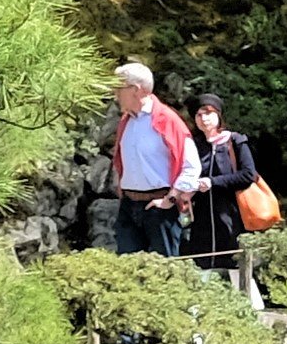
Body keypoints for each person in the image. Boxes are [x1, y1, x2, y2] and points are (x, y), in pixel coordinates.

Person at [103, 62, 193, 257]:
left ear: (136, 90)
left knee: (165, 272)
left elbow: (191, 166)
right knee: (127, 270)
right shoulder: (126, 121)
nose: (115, 94)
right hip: (129, 205)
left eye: (118, 88)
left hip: (160, 206)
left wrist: (170, 199)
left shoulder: (168, 120)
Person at [186, 96, 271, 291]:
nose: (203, 118)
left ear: (219, 115)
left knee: (236, 263)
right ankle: (195, 313)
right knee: (202, 263)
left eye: (208, 113)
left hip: (232, 214)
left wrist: (213, 182)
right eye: (198, 114)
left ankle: (252, 311)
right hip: (203, 216)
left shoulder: (235, 141)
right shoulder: (194, 145)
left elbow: (248, 174)